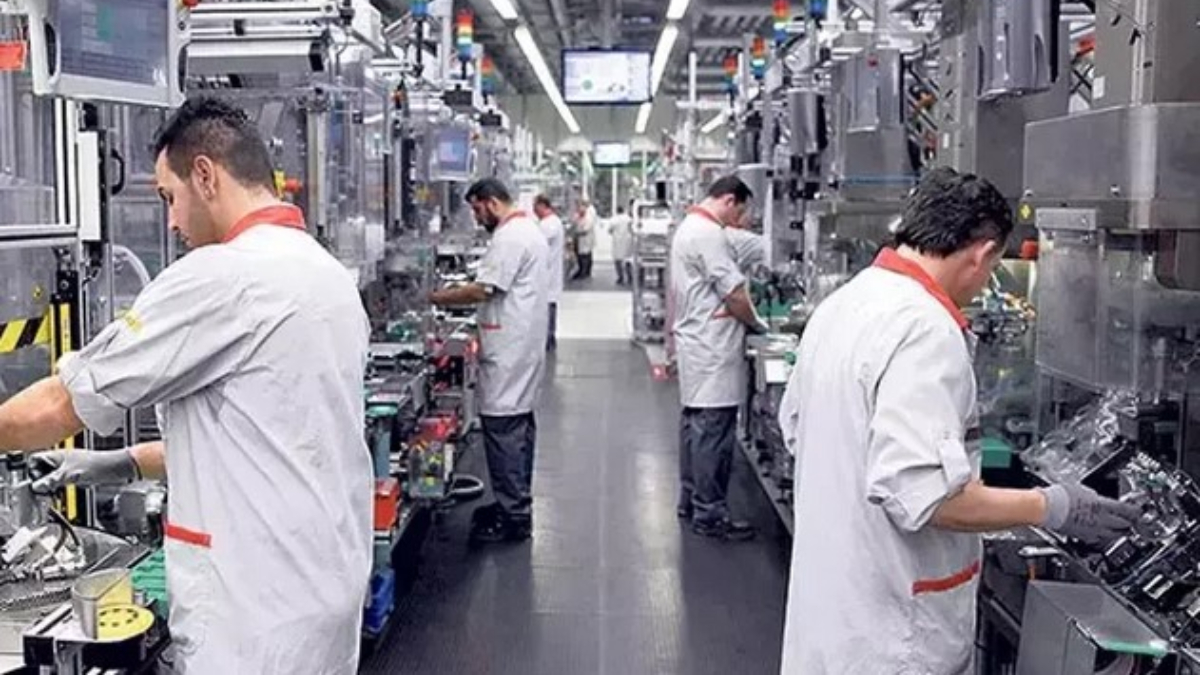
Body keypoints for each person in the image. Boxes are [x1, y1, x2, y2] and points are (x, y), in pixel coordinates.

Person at [0, 97, 373, 673]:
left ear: (205, 175)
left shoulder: (222, 276)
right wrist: (114, 463)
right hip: (321, 594)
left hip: (252, 620)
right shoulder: (326, 275)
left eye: (169, 197)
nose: (172, 223)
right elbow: (264, 443)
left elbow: (61, 404)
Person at [776, 168, 1140, 673]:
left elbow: (795, 429)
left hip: (834, 616)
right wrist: (1051, 506)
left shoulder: (845, 304)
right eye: (992, 268)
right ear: (983, 252)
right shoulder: (926, 328)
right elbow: (924, 496)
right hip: (892, 636)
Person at [430, 178, 549, 543]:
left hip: (509, 349)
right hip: (520, 345)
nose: (477, 217)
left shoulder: (511, 237)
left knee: (503, 429)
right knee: (519, 426)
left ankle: (513, 517)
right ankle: (515, 504)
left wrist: (435, 297)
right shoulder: (527, 230)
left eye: (478, 209)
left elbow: (483, 289)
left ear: (493, 202)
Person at [670, 176, 767, 541]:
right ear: (729, 200)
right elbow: (735, 294)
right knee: (713, 431)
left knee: (696, 425)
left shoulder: (690, 227)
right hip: (712, 347)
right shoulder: (708, 235)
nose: (739, 220)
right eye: (740, 212)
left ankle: (691, 500)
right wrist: (757, 325)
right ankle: (710, 513)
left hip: (698, 342)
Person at [533, 194, 566, 352]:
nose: (534, 211)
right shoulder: (549, 223)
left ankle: (548, 338)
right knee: (548, 305)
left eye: (535, 207)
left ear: (542, 205)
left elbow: (534, 244)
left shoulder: (549, 224)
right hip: (547, 273)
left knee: (547, 306)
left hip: (547, 273)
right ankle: (549, 337)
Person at [609, 204, 634, 285]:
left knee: (617, 260)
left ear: (617, 211)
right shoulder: (629, 219)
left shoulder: (613, 220)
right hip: (627, 241)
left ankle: (620, 277)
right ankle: (630, 276)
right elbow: (632, 229)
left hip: (617, 241)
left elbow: (610, 230)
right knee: (628, 259)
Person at [572, 199, 597, 280]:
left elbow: (586, 229)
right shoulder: (578, 215)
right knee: (580, 256)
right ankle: (581, 270)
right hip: (579, 239)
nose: (579, 209)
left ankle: (585, 272)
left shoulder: (589, 217)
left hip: (585, 239)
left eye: (581, 207)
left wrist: (578, 232)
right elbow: (574, 222)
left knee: (585, 255)